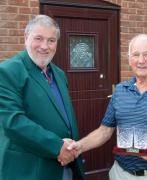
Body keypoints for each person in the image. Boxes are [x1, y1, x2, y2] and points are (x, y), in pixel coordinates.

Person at [66, 34, 147, 180]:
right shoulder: (120, 91)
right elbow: (104, 131)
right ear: (129, 60)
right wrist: (79, 146)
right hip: (120, 174)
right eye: (136, 55)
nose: (141, 61)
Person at [0, 15, 85, 180]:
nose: (44, 46)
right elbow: (13, 123)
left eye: (51, 40)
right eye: (38, 38)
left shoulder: (59, 74)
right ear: (26, 38)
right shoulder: (7, 71)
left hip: (65, 166)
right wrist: (57, 146)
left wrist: (71, 148)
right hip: (29, 169)